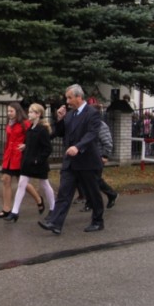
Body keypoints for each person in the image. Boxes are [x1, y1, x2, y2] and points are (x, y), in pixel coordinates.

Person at [38, 84, 103, 235]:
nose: (67, 101)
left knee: (92, 193)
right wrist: (60, 118)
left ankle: (98, 221)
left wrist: (78, 147)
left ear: (79, 97)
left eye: (69, 98)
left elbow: (92, 134)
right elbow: (59, 132)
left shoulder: (92, 113)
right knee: (64, 193)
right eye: (66, 98)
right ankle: (55, 223)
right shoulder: (70, 114)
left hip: (87, 161)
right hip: (70, 162)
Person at [5, 103, 55, 222]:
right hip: (27, 162)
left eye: (31, 112)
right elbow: (30, 143)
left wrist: (38, 159)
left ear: (38, 114)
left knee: (45, 185)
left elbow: (48, 149)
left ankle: (54, 208)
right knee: (21, 184)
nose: (28, 114)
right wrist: (25, 146)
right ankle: (14, 212)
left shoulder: (42, 130)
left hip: (39, 164)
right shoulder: (30, 128)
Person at [0, 102, 43, 219]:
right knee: (6, 180)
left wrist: (26, 146)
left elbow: (32, 137)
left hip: (20, 157)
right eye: (8, 111)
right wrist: (5, 155)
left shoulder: (25, 123)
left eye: (11, 111)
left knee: (22, 182)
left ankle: (38, 199)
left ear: (17, 112)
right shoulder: (9, 123)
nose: (9, 114)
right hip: (9, 156)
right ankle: (6, 209)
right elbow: (8, 141)